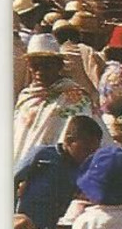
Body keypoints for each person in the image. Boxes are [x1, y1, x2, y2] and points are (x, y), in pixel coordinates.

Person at [14, 34, 104, 169]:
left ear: (59, 65)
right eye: (35, 65)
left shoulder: (75, 99)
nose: (40, 71)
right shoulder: (26, 97)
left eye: (46, 65)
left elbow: (80, 146)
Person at [14, 115, 104, 229]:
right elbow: (14, 179)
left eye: (93, 152)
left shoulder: (87, 169)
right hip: (28, 228)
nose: (89, 155)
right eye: (85, 149)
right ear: (68, 141)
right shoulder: (42, 156)